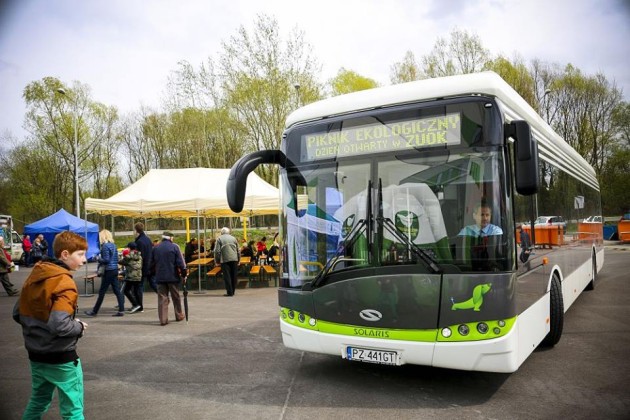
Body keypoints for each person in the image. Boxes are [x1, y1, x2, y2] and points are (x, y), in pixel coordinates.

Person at [12, 231, 89, 419]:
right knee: (73, 411)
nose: (84, 260)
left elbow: (17, 313)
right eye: (80, 254)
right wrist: (78, 327)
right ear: (65, 254)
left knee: (38, 402)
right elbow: (60, 326)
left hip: (36, 355)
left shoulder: (35, 276)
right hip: (61, 358)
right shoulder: (64, 282)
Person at [84, 229, 125, 317]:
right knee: (117, 290)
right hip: (114, 269)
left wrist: (97, 258)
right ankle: (121, 309)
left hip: (108, 270)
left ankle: (94, 311)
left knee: (102, 292)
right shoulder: (113, 245)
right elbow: (115, 258)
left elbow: (106, 260)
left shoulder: (105, 246)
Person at [150, 231, 187, 326]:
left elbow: (151, 264)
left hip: (160, 277)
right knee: (176, 297)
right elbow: (181, 263)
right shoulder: (175, 247)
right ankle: (178, 315)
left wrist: (154, 273)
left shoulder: (155, 248)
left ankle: (163, 319)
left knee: (162, 298)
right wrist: (184, 274)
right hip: (172, 277)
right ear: (170, 238)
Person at [134, 222, 155, 307]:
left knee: (139, 286)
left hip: (143, 266)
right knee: (152, 283)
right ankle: (164, 296)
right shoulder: (148, 239)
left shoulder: (139, 241)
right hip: (150, 264)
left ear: (136, 230)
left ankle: (139, 305)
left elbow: (140, 255)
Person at [214, 227, 240, 297]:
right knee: (234, 275)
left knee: (227, 276)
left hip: (224, 260)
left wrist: (217, 260)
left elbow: (217, 251)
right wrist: (239, 260)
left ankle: (229, 292)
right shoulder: (233, 238)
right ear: (228, 232)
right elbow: (238, 250)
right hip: (234, 259)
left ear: (221, 232)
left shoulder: (219, 239)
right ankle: (233, 291)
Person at [120, 242, 143, 313]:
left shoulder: (128, 256)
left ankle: (135, 304)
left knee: (126, 290)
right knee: (137, 291)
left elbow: (121, 262)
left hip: (131, 276)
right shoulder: (139, 255)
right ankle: (140, 307)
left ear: (129, 248)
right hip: (138, 275)